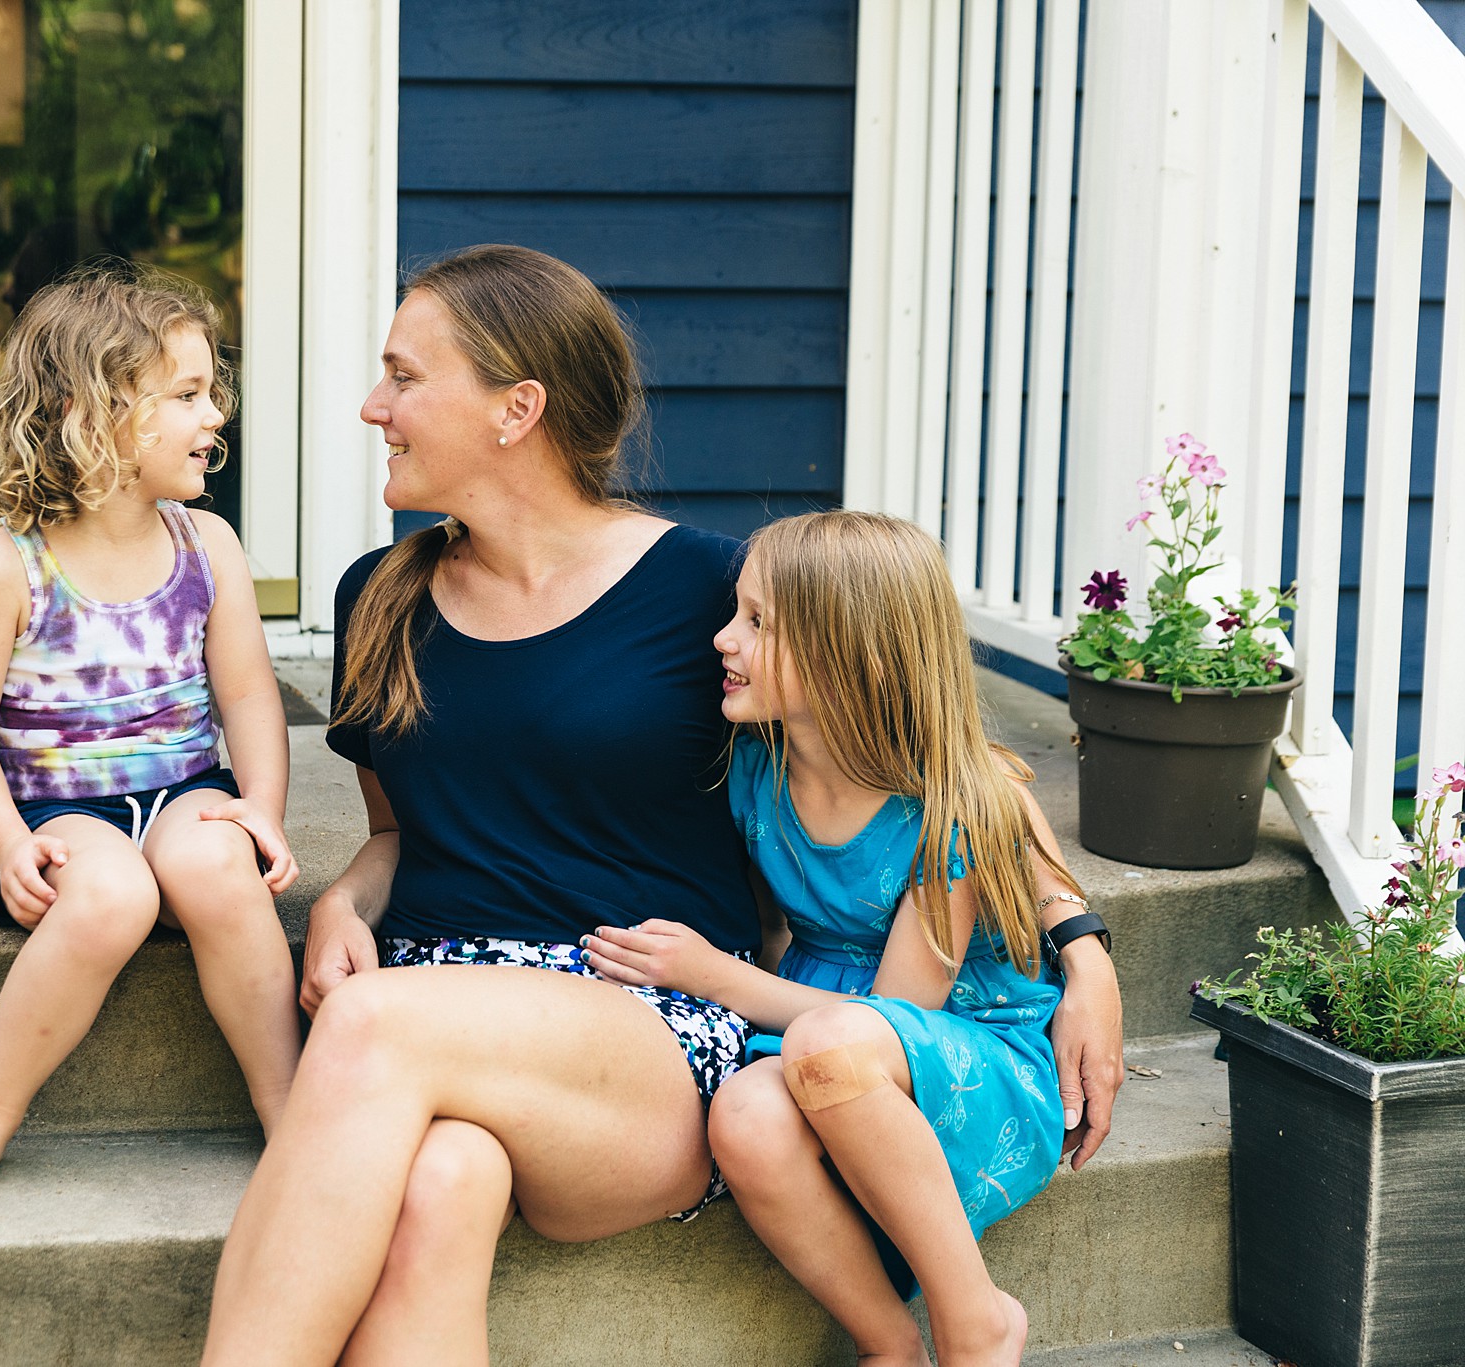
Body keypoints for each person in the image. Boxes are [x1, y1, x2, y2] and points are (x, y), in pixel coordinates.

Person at [199, 244, 1123, 1365]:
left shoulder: (708, 591)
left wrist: (1083, 947)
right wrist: (347, 899)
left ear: (515, 409)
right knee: (440, 1182)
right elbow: (398, 828)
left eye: (403, 375)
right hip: (444, 1015)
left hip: (636, 1015)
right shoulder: (377, 597)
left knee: (368, 1023)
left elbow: (948, 761)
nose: (370, 404)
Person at [583, 510, 1100, 1365]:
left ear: (849, 654)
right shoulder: (755, 767)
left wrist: (714, 975)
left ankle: (975, 1318)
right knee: (745, 1116)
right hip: (822, 1034)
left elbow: (895, 1016)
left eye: (756, 623)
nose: (722, 638)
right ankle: (887, 1342)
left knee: (829, 1043)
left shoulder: (949, 811)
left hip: (968, 1052)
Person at [0, 265, 301, 1216]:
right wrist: (9, 847)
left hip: (184, 788)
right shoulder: (7, 568)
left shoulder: (209, 546)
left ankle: (292, 1110)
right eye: (189, 395)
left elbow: (250, 696)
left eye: (216, 392)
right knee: (113, 891)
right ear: (94, 412)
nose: (217, 416)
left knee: (214, 866)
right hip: (60, 809)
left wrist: (261, 811)